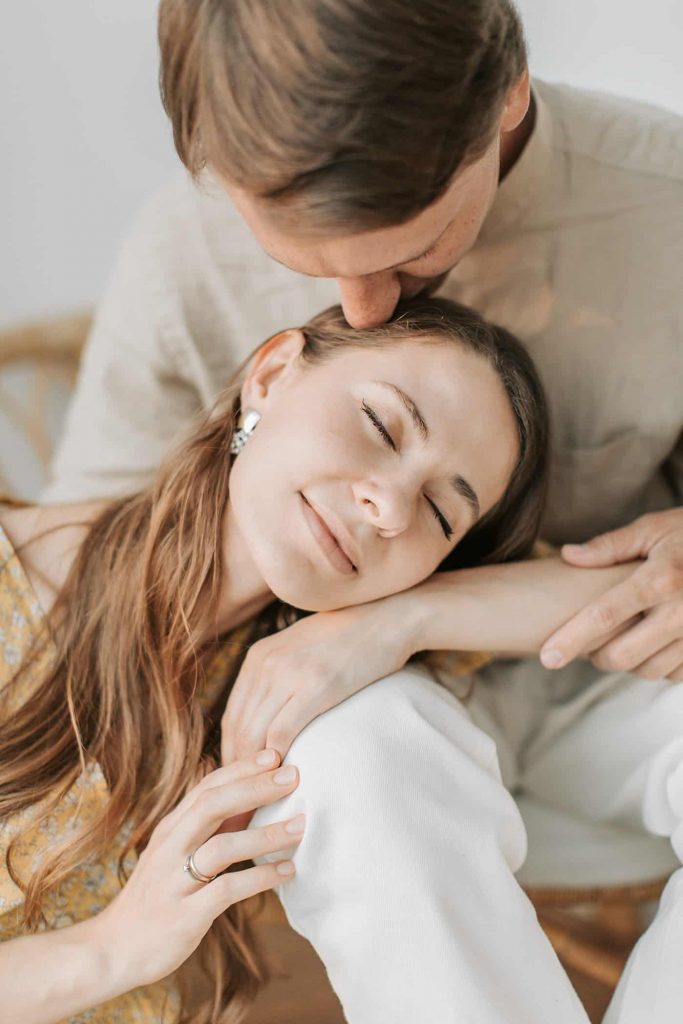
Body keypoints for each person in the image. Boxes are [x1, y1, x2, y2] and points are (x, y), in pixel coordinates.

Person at [41, 1, 683, 1021]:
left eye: (410, 253)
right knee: (351, 748)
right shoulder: (183, 248)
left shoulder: (663, 205)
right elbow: (90, 566)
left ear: (506, 96)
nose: (362, 305)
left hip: (604, 670)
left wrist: (398, 617)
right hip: (353, 706)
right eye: (305, 265)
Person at [0, 296, 578, 1022]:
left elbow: (639, 587)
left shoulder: (315, 660)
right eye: (381, 426)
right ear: (271, 376)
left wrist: (405, 619)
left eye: (439, 514)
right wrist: (112, 948)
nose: (390, 508)